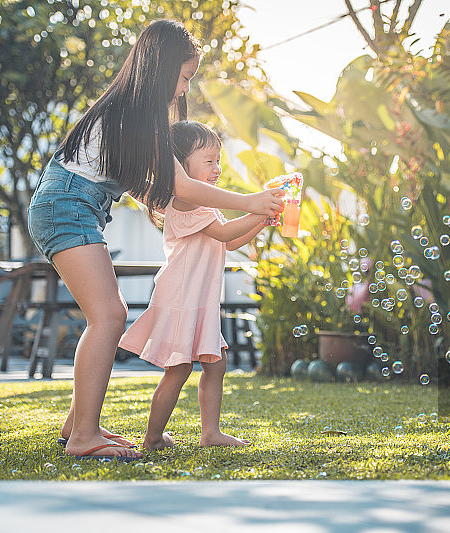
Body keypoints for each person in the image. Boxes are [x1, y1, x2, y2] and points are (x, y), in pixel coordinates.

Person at [27, 20, 283, 460]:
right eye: (184, 77)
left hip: (73, 204)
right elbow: (181, 187)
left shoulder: (129, 112)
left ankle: (77, 426)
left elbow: (151, 186)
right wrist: (251, 201)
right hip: (66, 205)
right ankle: (84, 436)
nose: (185, 89)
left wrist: (245, 211)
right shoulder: (135, 112)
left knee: (108, 313)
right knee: (108, 315)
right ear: (163, 68)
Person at [120, 121, 266, 450]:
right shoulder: (185, 201)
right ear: (182, 165)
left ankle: (210, 433)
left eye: (219, 161)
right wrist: (258, 208)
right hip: (182, 297)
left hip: (198, 300)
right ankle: (153, 438)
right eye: (209, 161)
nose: (217, 168)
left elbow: (229, 242)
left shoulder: (205, 204)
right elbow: (226, 234)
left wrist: (263, 219)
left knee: (215, 364)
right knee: (179, 368)